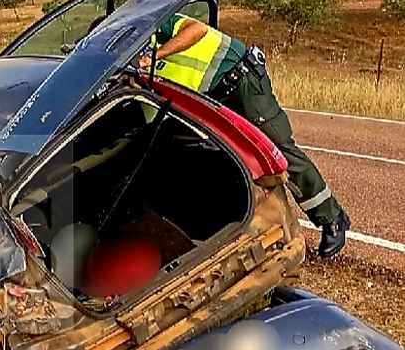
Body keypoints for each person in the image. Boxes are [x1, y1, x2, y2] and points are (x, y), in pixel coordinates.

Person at [138, 13, 350, 258]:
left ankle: (332, 218)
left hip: (240, 80)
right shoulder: (136, 73)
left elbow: (196, 30)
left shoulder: (151, 25)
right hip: (213, 102)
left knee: (276, 149)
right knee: (235, 164)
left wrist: (155, 56)